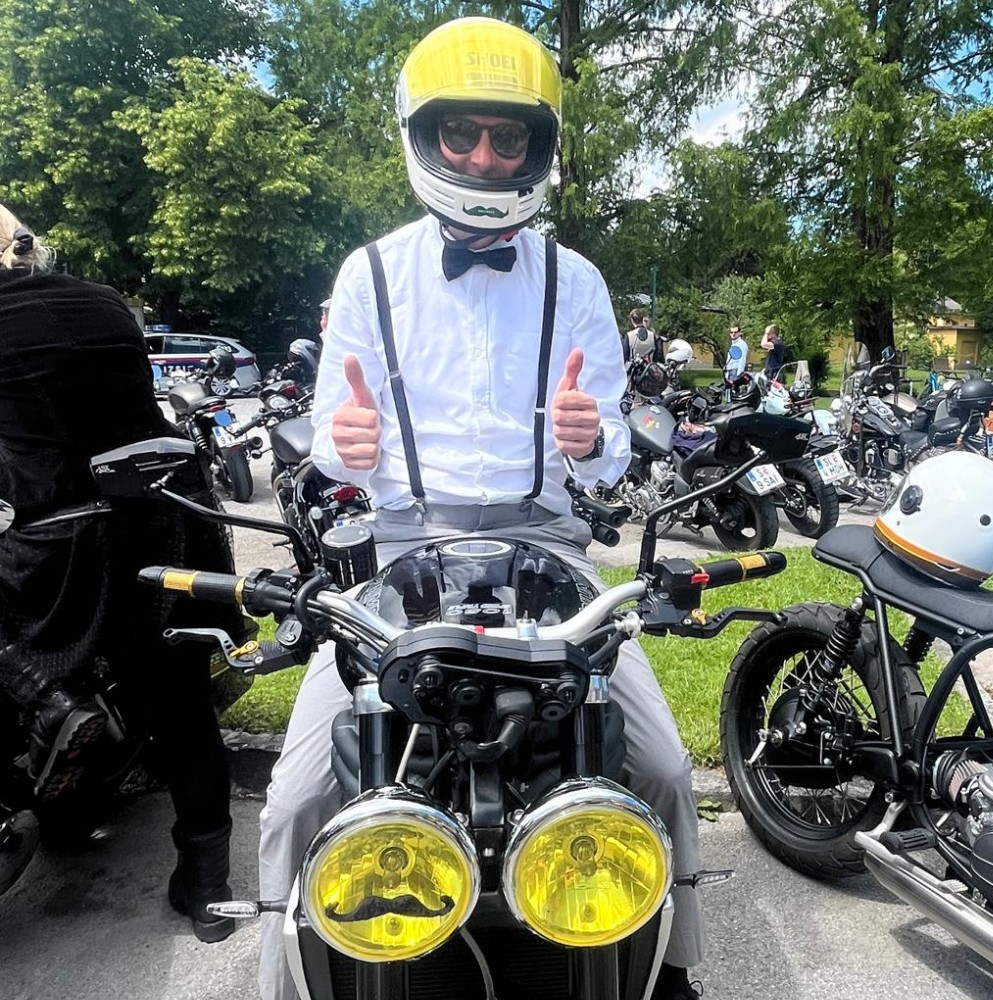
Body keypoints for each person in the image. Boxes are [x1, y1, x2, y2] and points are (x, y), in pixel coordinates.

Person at [257, 17, 704, 1000]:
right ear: (423, 135)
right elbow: (330, 439)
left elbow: (609, 458)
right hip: (402, 551)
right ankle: (284, 982)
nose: (484, 157)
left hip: (550, 548)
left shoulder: (577, 279)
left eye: (508, 137)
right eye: (460, 133)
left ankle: (672, 970)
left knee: (666, 770)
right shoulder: (370, 272)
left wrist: (591, 437)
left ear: (539, 146)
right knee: (294, 799)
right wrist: (344, 445)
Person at [0, 203, 246, 942]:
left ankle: (51, 707)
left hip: (55, 542)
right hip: (158, 520)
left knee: (17, 653)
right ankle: (207, 887)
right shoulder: (105, 303)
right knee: (179, 702)